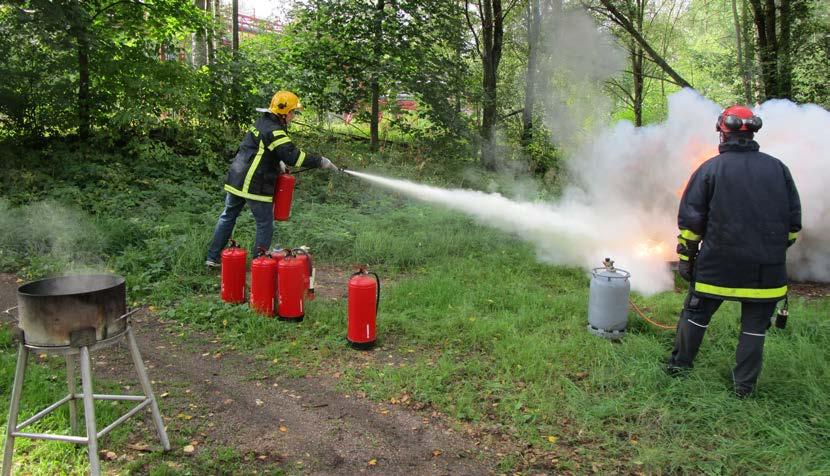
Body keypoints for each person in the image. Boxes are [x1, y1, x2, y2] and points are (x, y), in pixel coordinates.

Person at [667, 105, 802, 398]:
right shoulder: (778, 169)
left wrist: (686, 258)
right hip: (765, 272)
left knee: (696, 314)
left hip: (718, 266)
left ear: (722, 131)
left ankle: (679, 369)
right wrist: (771, 250)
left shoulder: (709, 169)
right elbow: (793, 226)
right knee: (754, 329)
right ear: (752, 131)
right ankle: (744, 389)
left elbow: (692, 223)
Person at [206, 91, 339, 267]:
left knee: (228, 216)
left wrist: (279, 162)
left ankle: (212, 258)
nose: (293, 116)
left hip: (237, 177)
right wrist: (321, 161)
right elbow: (294, 157)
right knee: (264, 224)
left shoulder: (262, 122)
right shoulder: (276, 130)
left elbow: (262, 148)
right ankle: (259, 265)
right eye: (293, 112)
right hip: (255, 182)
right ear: (284, 113)